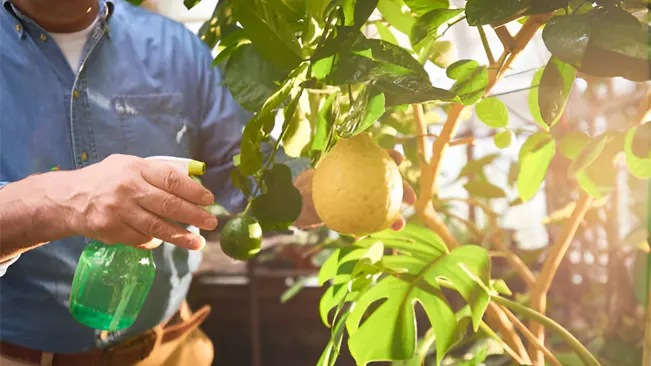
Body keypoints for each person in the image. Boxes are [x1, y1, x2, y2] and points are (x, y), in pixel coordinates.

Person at [0, 0, 415, 365]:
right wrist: (58, 203)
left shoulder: (173, 47)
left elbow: (240, 171)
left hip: (168, 350)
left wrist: (321, 193)